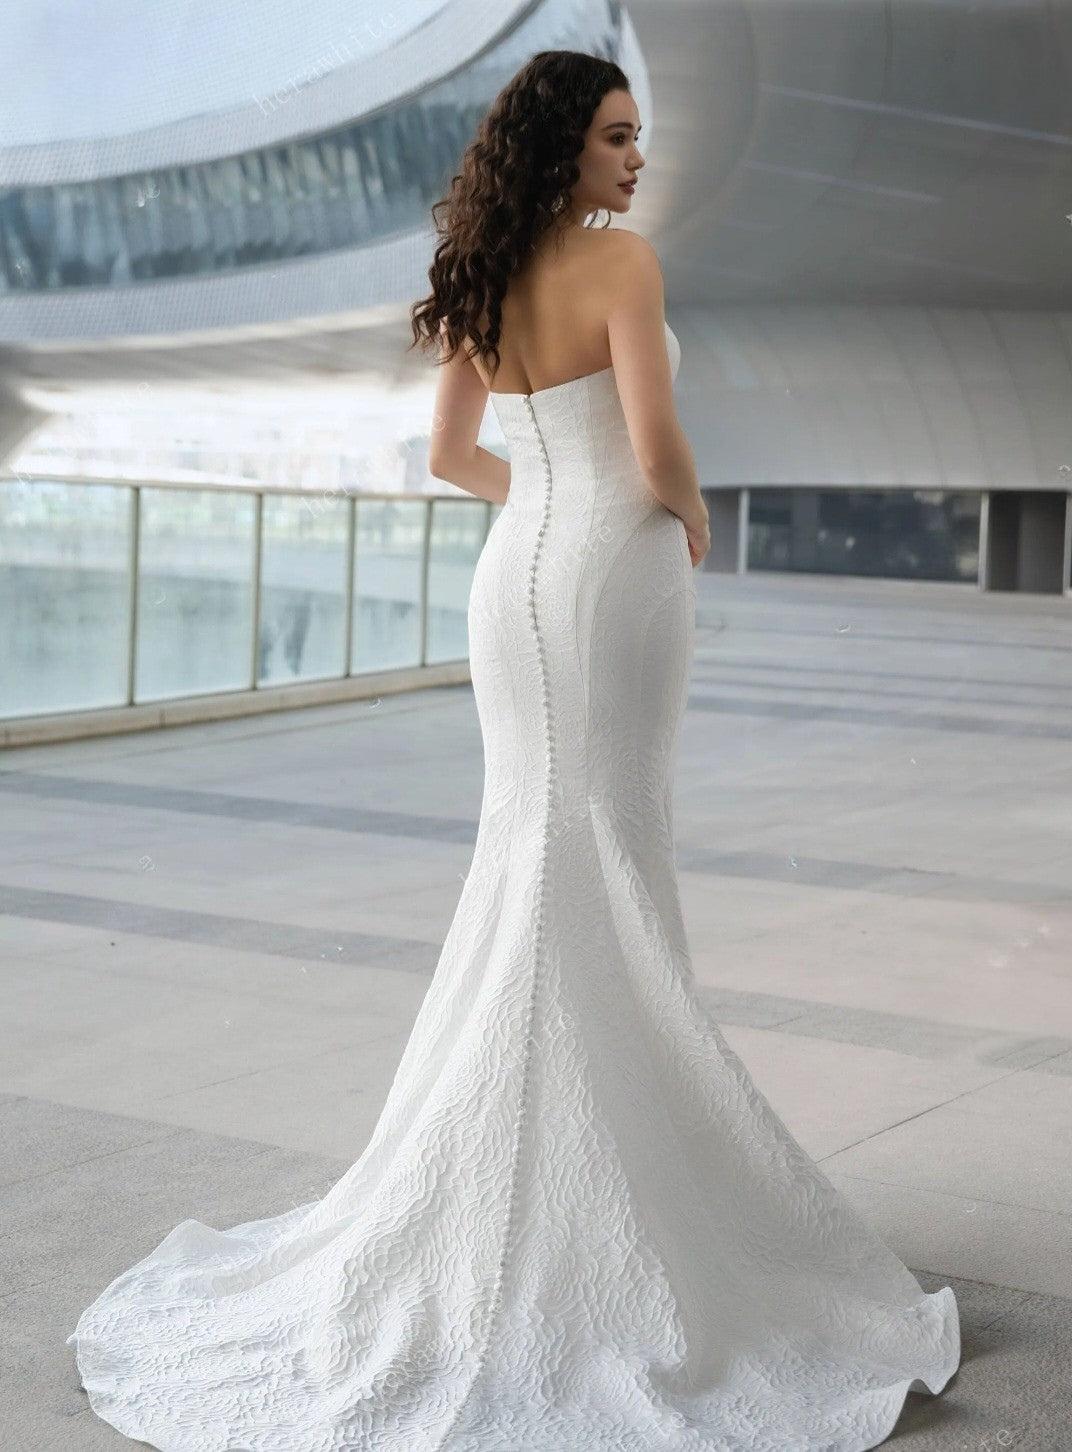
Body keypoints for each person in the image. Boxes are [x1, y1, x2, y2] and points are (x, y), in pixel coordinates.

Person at [66, 48, 959, 1451]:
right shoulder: (623, 266)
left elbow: (452, 460)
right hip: (616, 573)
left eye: (638, 136)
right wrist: (690, 517)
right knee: (608, 846)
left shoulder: (481, 270)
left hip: (515, 580)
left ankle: (516, 1177)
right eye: (615, 138)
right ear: (565, 148)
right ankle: (616, 1187)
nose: (636, 159)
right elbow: (660, 448)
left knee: (536, 850)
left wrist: (547, 486)